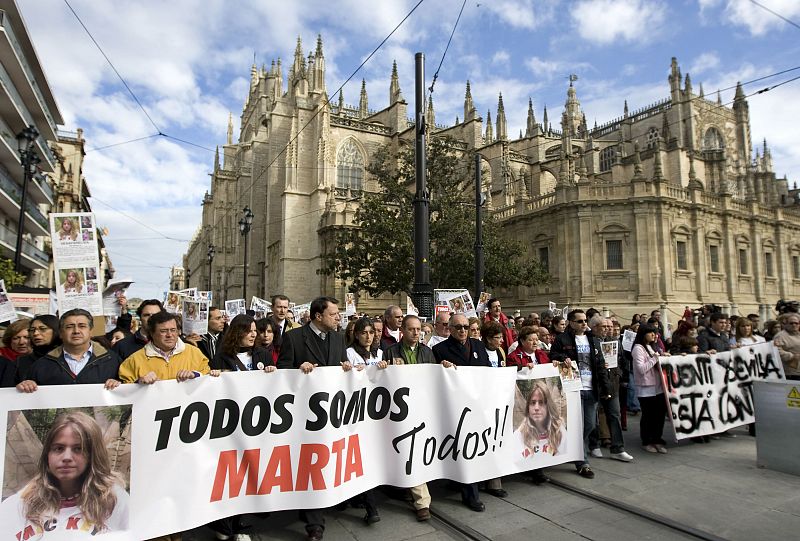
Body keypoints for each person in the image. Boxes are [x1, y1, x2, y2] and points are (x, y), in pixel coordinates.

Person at [276, 297, 351, 541]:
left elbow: (340, 367)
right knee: (310, 465)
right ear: (318, 316)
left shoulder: (339, 338)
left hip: (332, 414)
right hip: (304, 416)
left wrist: (348, 368)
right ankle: (314, 523)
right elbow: (283, 372)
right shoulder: (294, 338)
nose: (338, 317)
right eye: (333, 314)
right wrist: (299, 370)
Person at [2, 411, 129, 536]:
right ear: (48, 454)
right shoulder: (21, 504)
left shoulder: (114, 500)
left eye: (78, 449)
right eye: (59, 448)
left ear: (92, 454)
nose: (67, 457)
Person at [433, 314, 491, 512]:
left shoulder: (479, 346)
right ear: (449, 328)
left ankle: (465, 481)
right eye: (458, 327)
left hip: (478, 406)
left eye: (466, 326)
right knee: (465, 449)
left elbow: (488, 372)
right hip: (456, 410)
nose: (463, 330)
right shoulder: (439, 350)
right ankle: (470, 494)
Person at [549, 309, 613, 478]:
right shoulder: (562, 339)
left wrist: (606, 389)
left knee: (590, 424)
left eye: (585, 320)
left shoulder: (592, 339)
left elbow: (599, 364)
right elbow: (553, 355)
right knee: (576, 425)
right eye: (580, 321)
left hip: (591, 388)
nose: (584, 323)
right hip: (573, 388)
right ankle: (582, 462)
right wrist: (562, 357)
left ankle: (574, 448)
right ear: (571, 323)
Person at [383, 314, 435, 521]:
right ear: (402, 330)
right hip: (399, 410)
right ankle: (420, 499)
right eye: (412, 329)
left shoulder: (427, 352)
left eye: (418, 329)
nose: (416, 333)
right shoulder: (390, 352)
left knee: (415, 452)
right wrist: (389, 368)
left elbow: (433, 377)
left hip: (421, 407)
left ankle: (421, 499)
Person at [16, 309, 122, 392]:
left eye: (82, 326)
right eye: (70, 327)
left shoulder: (112, 360)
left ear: (91, 331)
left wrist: (119, 384)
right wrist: (27, 385)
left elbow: (127, 394)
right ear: (61, 333)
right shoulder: (41, 364)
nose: (76, 331)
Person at [118, 311, 219, 385]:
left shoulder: (195, 353)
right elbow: (125, 393)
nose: (169, 335)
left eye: (173, 330)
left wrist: (195, 375)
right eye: (163, 331)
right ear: (152, 333)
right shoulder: (134, 360)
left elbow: (207, 377)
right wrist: (139, 383)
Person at [632, 324, 668, 453]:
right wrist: (655, 359)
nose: (654, 335)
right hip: (646, 388)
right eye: (651, 333)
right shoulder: (638, 349)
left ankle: (657, 439)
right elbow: (641, 369)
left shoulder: (654, 346)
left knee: (659, 415)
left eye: (655, 333)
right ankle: (646, 440)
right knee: (648, 416)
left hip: (659, 386)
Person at [516, 380, 567, 457]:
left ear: (548, 406)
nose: (536, 408)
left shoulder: (559, 431)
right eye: (533, 403)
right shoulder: (520, 433)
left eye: (541, 402)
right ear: (528, 407)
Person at [212, 314, 276, 373]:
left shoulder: (263, 354)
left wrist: (273, 371)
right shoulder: (222, 357)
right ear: (237, 333)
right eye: (249, 331)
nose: (253, 335)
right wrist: (215, 374)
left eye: (255, 330)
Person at [0, 319, 32, 387]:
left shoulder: (41, 360)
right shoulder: (1, 356)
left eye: (27, 337)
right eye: (16, 338)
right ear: (9, 340)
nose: (21, 342)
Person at [773, 313, 800, 379]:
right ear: (786, 324)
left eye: (796, 323)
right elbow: (777, 351)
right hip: (790, 372)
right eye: (791, 323)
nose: (794, 325)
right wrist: (792, 356)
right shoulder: (780, 336)